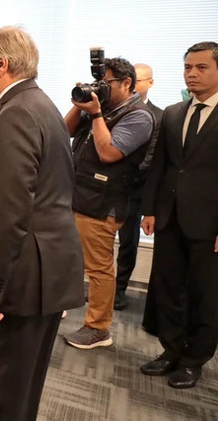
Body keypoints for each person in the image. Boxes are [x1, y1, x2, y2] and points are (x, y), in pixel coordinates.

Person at [0, 26, 84, 421]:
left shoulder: (16, 114)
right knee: (19, 391)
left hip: (15, 285)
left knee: (2, 396)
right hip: (35, 276)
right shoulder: (38, 105)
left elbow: (8, 213)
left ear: (1, 66)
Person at [139, 41, 218, 389]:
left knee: (206, 294)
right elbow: (160, 167)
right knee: (168, 288)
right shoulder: (173, 112)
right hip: (169, 217)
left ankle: (193, 360)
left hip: (209, 223)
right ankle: (170, 350)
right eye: (188, 67)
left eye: (201, 67)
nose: (192, 73)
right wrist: (150, 209)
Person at [64, 57, 154, 350]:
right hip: (78, 195)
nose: (102, 88)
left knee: (99, 269)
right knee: (69, 259)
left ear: (127, 83)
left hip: (104, 204)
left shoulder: (139, 116)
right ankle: (63, 306)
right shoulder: (102, 108)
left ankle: (98, 329)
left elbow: (109, 153)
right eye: (99, 82)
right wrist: (81, 104)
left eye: (108, 83)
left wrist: (97, 113)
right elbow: (65, 130)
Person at [114, 63, 163, 311]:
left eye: (139, 80)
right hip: (108, 187)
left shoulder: (160, 115)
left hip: (134, 189)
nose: (134, 84)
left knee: (128, 242)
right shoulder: (114, 109)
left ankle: (119, 288)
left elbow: (152, 157)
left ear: (150, 83)